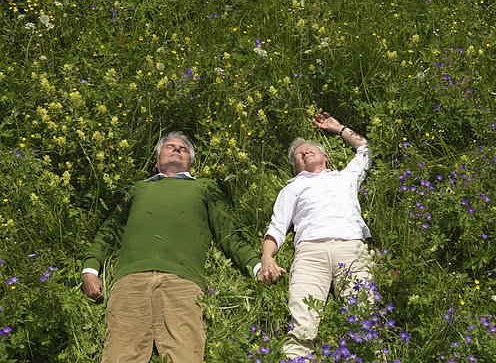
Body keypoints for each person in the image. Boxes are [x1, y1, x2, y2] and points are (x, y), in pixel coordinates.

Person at [82, 131, 271, 363]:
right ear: (156, 161)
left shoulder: (204, 187)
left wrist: (257, 267)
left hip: (183, 282)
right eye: (170, 146)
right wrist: (90, 269)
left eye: (184, 149)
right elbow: (109, 231)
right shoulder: (138, 189)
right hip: (130, 281)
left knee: (185, 356)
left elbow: (228, 234)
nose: (177, 149)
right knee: (120, 357)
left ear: (190, 162)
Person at [257, 112, 374, 360]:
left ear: (325, 157)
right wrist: (267, 258)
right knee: (301, 325)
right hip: (310, 253)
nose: (305, 152)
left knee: (365, 319)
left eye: (310, 149)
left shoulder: (345, 177)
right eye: (299, 154)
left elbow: (365, 149)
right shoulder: (292, 188)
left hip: (351, 246)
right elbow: (276, 227)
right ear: (296, 165)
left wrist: (339, 128)